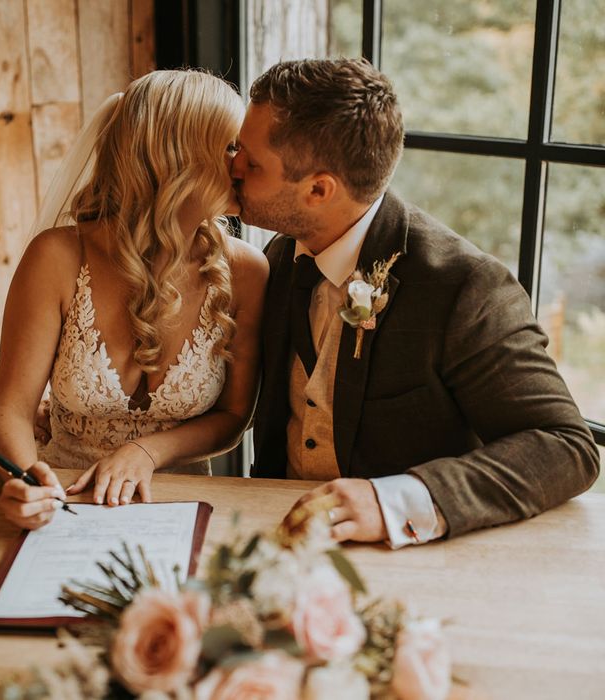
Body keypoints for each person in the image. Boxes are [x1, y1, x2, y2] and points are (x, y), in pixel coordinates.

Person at [230, 58, 599, 548]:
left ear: (319, 189)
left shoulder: (464, 286)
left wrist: (396, 502)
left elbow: (567, 447)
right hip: (276, 540)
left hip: (405, 560)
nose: (231, 165)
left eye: (251, 163)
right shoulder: (277, 256)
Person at [0, 70, 268, 530]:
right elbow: (11, 410)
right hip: (65, 503)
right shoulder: (56, 257)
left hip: (183, 508)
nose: (245, 163)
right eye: (232, 147)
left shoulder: (247, 272)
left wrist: (146, 451)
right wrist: (25, 480)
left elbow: (235, 416)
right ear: (177, 158)